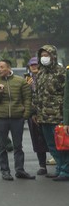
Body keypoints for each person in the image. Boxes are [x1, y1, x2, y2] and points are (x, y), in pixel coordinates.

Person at [0, 59, 35, 180]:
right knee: (2, 146)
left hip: (17, 118)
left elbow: (27, 99)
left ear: (9, 68)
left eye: (2, 67)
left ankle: (20, 170)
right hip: (1, 118)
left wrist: (25, 115)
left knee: (18, 146)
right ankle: (5, 171)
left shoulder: (20, 81)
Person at [32, 45, 69, 181]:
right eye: (42, 55)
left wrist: (66, 118)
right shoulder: (40, 73)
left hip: (57, 116)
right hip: (43, 116)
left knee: (62, 145)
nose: (44, 58)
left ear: (53, 56)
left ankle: (65, 170)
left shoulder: (61, 72)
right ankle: (59, 168)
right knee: (51, 145)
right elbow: (36, 94)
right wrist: (34, 112)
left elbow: (67, 95)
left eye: (47, 55)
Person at [25, 56, 49, 175]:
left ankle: (61, 164)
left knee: (52, 139)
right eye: (32, 65)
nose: (34, 67)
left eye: (36, 64)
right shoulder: (26, 80)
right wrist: (26, 86)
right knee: (37, 140)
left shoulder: (46, 78)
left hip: (48, 114)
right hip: (32, 115)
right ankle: (42, 165)